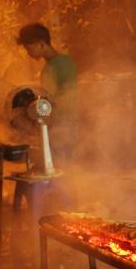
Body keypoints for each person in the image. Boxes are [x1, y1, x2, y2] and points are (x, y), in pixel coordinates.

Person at [16, 23, 79, 165]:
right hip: (56, 125)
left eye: (29, 48)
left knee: (62, 168)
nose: (28, 53)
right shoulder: (50, 66)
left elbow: (66, 97)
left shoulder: (62, 63)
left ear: (41, 44)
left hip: (64, 126)